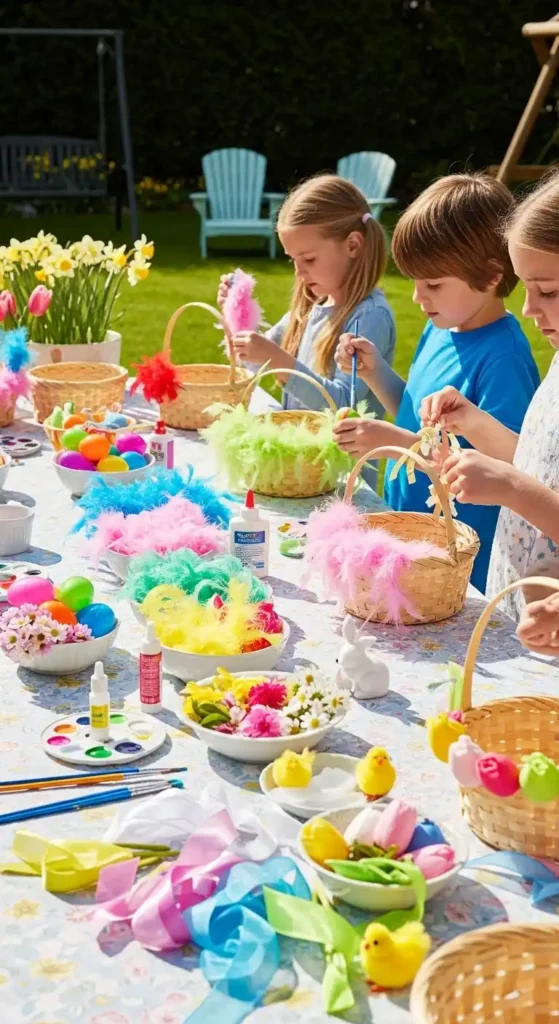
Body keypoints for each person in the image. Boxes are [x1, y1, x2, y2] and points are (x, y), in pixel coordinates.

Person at [333, 173, 540, 592]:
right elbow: (416, 414)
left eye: (433, 284)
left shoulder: (504, 358)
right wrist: (376, 373)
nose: (417, 297)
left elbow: (509, 467)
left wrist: (394, 441)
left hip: (456, 563)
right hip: (409, 537)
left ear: (490, 275)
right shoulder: (443, 327)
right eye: (414, 281)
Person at [422, 172, 559, 620]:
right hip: (519, 603)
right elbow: (540, 462)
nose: (528, 306)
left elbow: (526, 485)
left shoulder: (510, 355)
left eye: (549, 291)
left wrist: (509, 487)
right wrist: (474, 422)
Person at [217, 174, 396, 488]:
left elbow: (342, 405)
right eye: (293, 261)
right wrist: (234, 314)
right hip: (301, 473)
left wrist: (278, 359)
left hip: (342, 481)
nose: (299, 273)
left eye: (309, 259)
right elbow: (253, 360)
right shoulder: (313, 304)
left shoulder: (369, 318)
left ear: (353, 245)